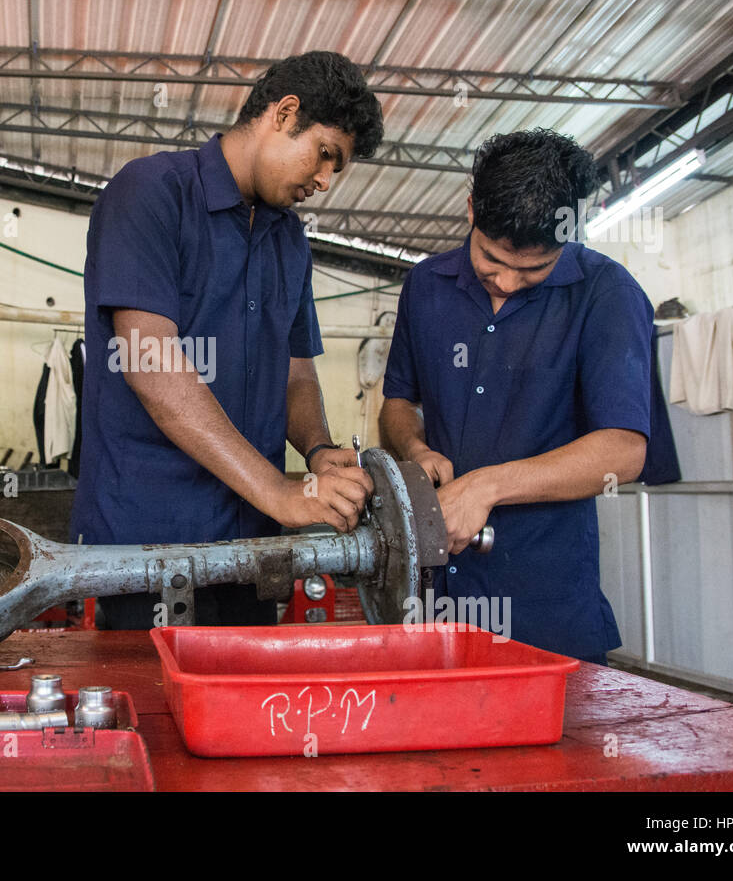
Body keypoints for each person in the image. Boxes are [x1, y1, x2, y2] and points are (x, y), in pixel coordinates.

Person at [71, 51, 384, 629]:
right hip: (152, 544)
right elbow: (148, 358)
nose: (324, 182)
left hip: (254, 543)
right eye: (325, 156)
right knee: (156, 709)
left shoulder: (289, 241)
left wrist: (316, 449)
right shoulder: (150, 193)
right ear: (284, 113)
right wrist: (280, 491)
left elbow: (295, 370)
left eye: (337, 170)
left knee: (246, 710)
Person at [379, 128, 653, 663]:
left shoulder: (608, 294)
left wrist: (485, 487)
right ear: (471, 208)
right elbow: (398, 403)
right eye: (491, 259)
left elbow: (624, 451)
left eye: (532, 269)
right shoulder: (425, 287)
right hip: (432, 600)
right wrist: (414, 451)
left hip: (543, 608)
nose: (505, 282)